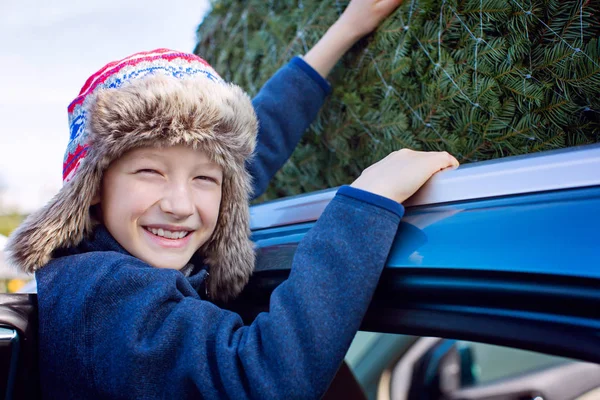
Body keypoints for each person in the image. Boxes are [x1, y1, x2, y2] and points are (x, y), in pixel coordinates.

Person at [6, 0, 459, 398]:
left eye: (205, 178)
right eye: (149, 171)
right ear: (94, 188)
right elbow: (259, 381)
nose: (181, 204)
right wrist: (366, 202)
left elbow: (256, 149)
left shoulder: (124, 242)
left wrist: (347, 29)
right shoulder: (103, 291)